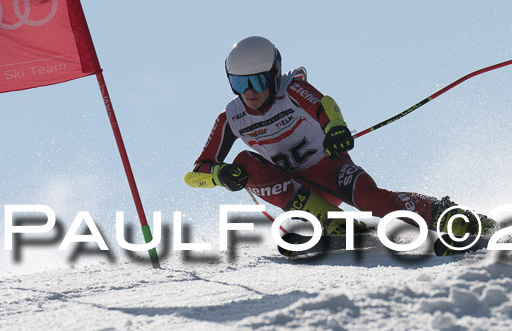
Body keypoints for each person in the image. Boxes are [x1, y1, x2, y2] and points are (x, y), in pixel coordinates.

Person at [193, 36, 490, 238]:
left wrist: (335, 127)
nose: (249, 92)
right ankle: (333, 226)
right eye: (239, 83)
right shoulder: (231, 118)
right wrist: (220, 174)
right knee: (244, 161)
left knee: (371, 199)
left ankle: (447, 216)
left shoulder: (291, 91)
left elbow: (324, 106)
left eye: (257, 80)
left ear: (273, 74)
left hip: (331, 171)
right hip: (296, 188)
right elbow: (196, 173)